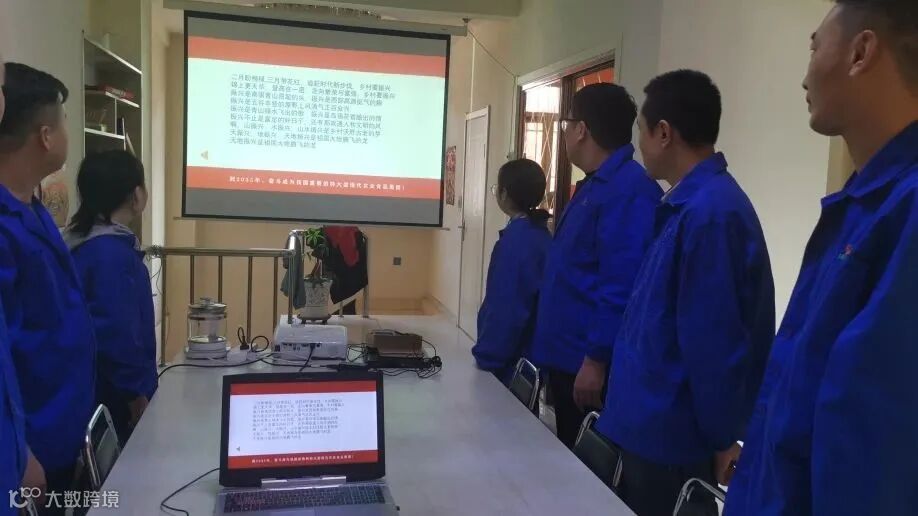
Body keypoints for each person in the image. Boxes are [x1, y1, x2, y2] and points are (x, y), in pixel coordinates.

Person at [726, 1, 918, 514]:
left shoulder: (905, 212)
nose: (805, 75)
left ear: (861, 52)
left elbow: (874, 455)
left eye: (814, 47)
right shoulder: (863, 204)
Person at [596, 70, 775, 516]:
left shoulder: (712, 214)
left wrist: (722, 436)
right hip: (649, 425)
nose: (638, 144)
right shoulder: (686, 205)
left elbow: (714, 344)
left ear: (663, 133)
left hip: (673, 437)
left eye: (641, 131)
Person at [530, 83, 663, 448]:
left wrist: (596, 360)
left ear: (581, 130)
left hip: (588, 365)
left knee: (587, 465)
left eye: (565, 124)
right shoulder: (595, 185)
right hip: (567, 356)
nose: (565, 133)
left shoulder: (628, 191)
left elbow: (621, 285)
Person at [0, 62, 95, 514]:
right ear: (45, 136)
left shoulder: (32, 208)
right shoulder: (5, 227)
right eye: (64, 122)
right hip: (33, 446)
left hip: (63, 427)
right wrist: (19, 454)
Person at [64, 150, 157, 444]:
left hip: (93, 389)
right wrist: (135, 393)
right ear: (136, 195)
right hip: (114, 397)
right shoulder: (111, 254)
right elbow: (117, 333)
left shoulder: (83, 241)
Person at [472, 159, 552, 385]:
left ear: (504, 194)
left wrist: (487, 356)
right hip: (530, 356)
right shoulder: (540, 235)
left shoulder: (516, 244)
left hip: (510, 361)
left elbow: (506, 307)